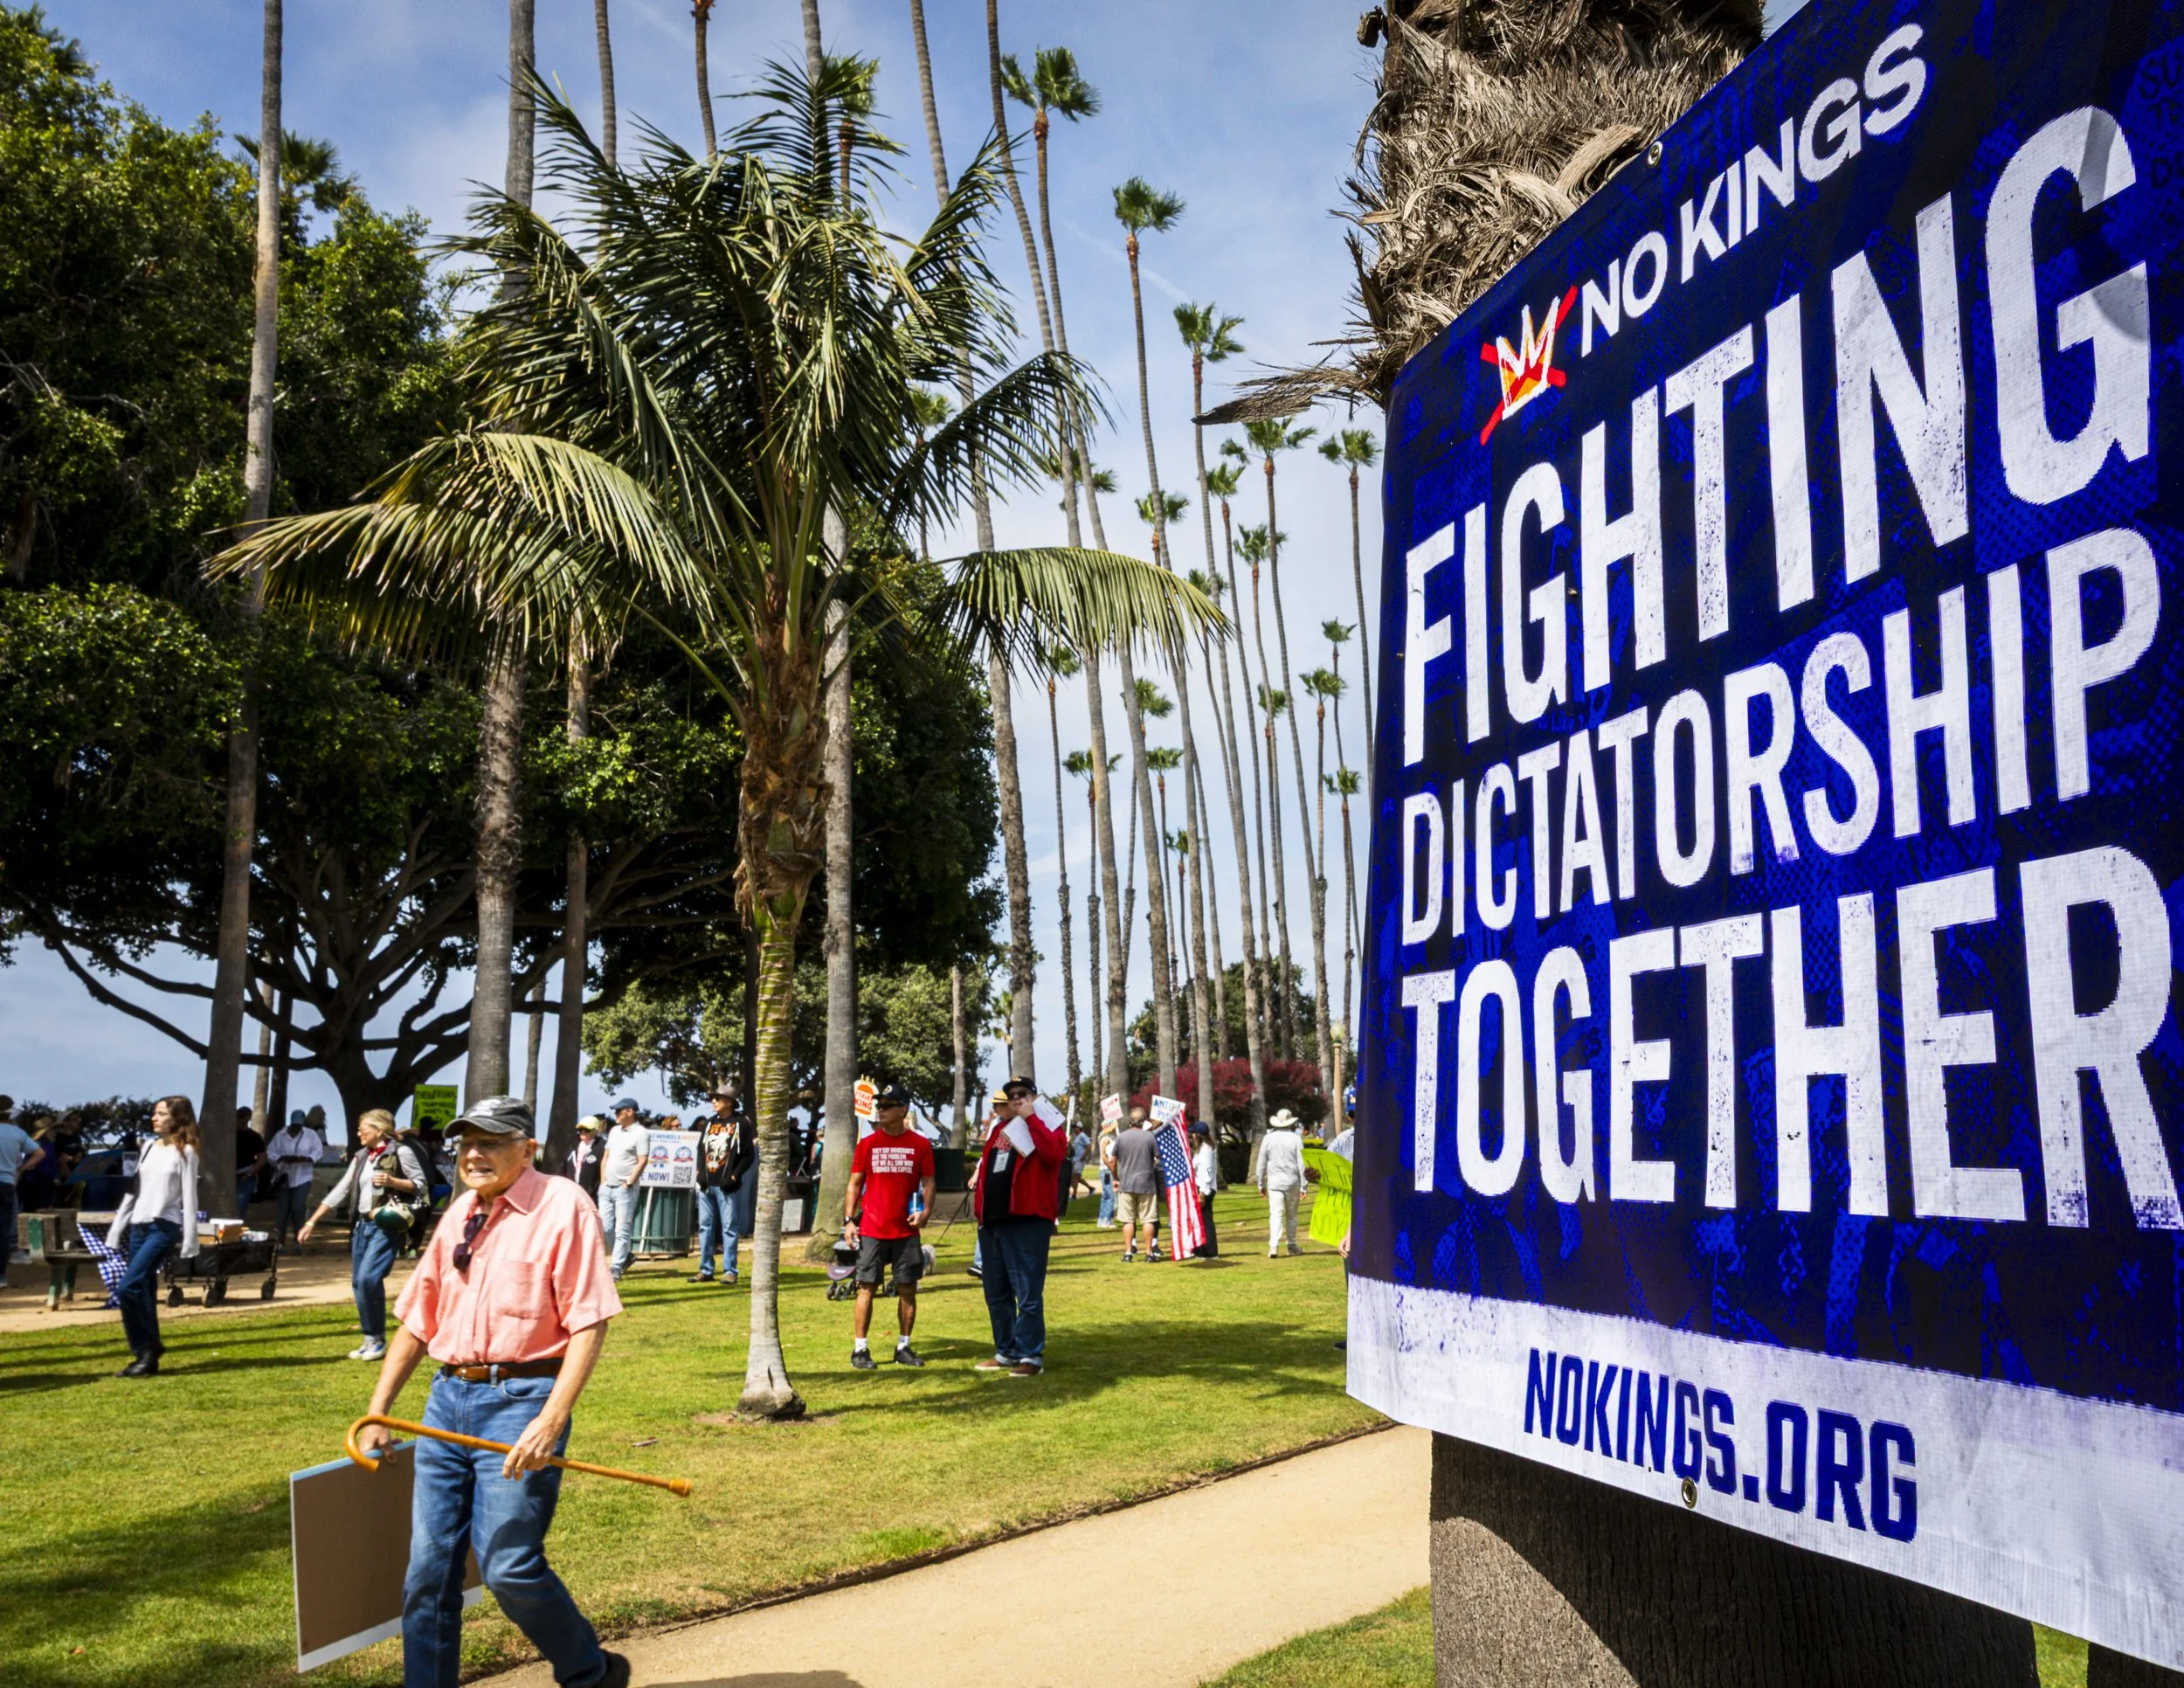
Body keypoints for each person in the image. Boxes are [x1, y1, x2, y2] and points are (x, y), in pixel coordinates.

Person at [353, 1096, 630, 1688]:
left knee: (508, 1567)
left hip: (521, 1404)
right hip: (447, 1400)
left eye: (492, 1141)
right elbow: (419, 1319)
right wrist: (379, 1411)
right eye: (466, 1142)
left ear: (527, 1149)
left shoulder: (563, 1206)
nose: (474, 1153)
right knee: (427, 1573)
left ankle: (590, 1672)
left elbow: (589, 1322)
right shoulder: (459, 1213)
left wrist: (551, 1420)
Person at [299, 1108, 432, 1361]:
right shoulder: (362, 1156)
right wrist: (312, 1221)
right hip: (361, 1227)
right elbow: (342, 1189)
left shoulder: (401, 1152)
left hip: (386, 1225)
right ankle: (371, 1339)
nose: (358, 1132)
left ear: (379, 1131)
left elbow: (422, 1186)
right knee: (359, 1282)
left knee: (369, 1278)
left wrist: (393, 1182)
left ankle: (378, 1341)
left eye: (364, 1128)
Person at [972, 1077, 1064, 1376]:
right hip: (994, 1222)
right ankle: (1006, 1351)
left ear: (1035, 1096)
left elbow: (1053, 1155)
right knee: (996, 1292)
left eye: (1022, 1094)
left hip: (1027, 1221)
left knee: (1027, 1293)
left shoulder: (1047, 1123)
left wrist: (1031, 1118)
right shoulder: (1000, 1129)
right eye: (1011, 1096)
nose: (1016, 1100)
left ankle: (1031, 1356)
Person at [842, 1083, 935, 1369]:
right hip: (872, 1230)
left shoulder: (920, 1145)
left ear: (903, 1110)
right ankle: (860, 1351)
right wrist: (848, 1221)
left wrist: (926, 1211)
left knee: (907, 1289)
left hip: (906, 1232)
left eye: (886, 1106)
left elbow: (929, 1182)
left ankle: (903, 1347)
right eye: (878, 1105)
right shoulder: (867, 1144)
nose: (879, 1110)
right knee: (866, 1288)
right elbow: (854, 1184)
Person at [110, 1095, 200, 1378]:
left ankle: (147, 1347)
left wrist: (190, 1240)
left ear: (177, 1118)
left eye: (162, 1113)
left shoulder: (186, 1151)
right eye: (155, 1113)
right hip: (139, 1225)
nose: (155, 1118)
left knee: (129, 1286)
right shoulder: (148, 1147)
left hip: (163, 1227)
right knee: (144, 1291)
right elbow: (134, 1189)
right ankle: (147, 1355)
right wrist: (116, 1228)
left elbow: (190, 1197)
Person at [690, 1090, 754, 1285]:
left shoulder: (741, 1123)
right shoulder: (710, 1123)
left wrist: (734, 1176)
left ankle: (730, 1271)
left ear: (730, 1101)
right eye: (712, 1098)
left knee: (729, 1228)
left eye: (717, 1098)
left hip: (727, 1186)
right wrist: (700, 1173)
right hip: (707, 1185)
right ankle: (706, 1269)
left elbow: (748, 1155)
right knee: (705, 1227)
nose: (713, 1101)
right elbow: (702, 1150)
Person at [598, 1099, 647, 1280]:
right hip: (607, 1187)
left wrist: (629, 1182)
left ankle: (616, 1266)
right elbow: (606, 1157)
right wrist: (602, 1181)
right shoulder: (613, 1131)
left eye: (619, 1111)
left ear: (630, 1111)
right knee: (604, 1227)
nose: (615, 1114)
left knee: (622, 1229)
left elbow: (642, 1160)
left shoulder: (641, 1133)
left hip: (625, 1188)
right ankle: (625, 1256)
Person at [266, 1109, 325, 1251]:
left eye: (299, 1126)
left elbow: (317, 1151)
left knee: (298, 1207)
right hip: (285, 1176)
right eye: (294, 1126)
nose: (296, 1129)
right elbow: (271, 1152)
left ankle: (298, 1241)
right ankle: (279, 1242)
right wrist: (280, 1158)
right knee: (282, 1210)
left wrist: (307, 1158)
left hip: (303, 1177)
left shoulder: (310, 1135)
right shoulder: (280, 1135)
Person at [1110, 1107, 1163, 1263]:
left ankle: (1128, 1253)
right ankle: (1149, 1253)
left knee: (1128, 1220)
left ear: (1129, 1121)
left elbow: (1112, 1161)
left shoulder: (1122, 1137)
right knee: (1148, 1219)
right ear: (1143, 1121)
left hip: (1126, 1183)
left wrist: (1115, 1178)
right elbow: (1158, 1157)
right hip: (1146, 1183)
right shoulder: (1149, 1137)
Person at [1255, 1108, 1307, 1257]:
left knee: (1275, 1214)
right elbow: (1301, 1163)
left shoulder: (1268, 1138)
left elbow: (1261, 1163)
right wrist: (1304, 1185)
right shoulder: (1296, 1139)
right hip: (1292, 1181)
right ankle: (1291, 1244)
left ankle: (1274, 1246)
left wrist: (1261, 1184)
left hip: (1274, 1182)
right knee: (1292, 1215)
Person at [0, 1107, 45, 1267]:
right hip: (8, 1181)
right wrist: (21, 1170)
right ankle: (7, 1263)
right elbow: (39, 1153)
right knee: (6, 1225)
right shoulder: (17, 1133)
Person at [1191, 1124, 1220, 1258]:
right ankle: (1200, 1248)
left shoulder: (1206, 1150)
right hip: (1203, 1187)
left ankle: (1210, 1251)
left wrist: (1203, 1192)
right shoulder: (1203, 1149)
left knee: (1206, 1220)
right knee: (1201, 1220)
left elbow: (1207, 1172)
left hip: (1205, 1188)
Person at [233, 1105, 267, 1216]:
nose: (239, 1119)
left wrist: (249, 1174)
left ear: (249, 1118)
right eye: (237, 1116)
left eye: (242, 1117)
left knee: (240, 1207)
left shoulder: (254, 1137)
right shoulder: (228, 1135)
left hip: (244, 1176)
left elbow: (262, 1158)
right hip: (227, 1176)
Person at [567, 1117, 606, 1199]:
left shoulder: (602, 1147)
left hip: (592, 1198)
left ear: (595, 1131)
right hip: (572, 1195)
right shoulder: (573, 1146)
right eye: (581, 1129)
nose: (583, 1132)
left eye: (587, 1129)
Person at [1095, 1122, 1118, 1228]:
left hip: (1106, 1170)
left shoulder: (1111, 1138)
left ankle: (1102, 1219)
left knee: (1106, 1195)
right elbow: (1104, 1156)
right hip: (1106, 1171)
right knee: (1110, 1195)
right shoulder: (1105, 1139)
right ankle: (1106, 1220)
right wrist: (1110, 1166)